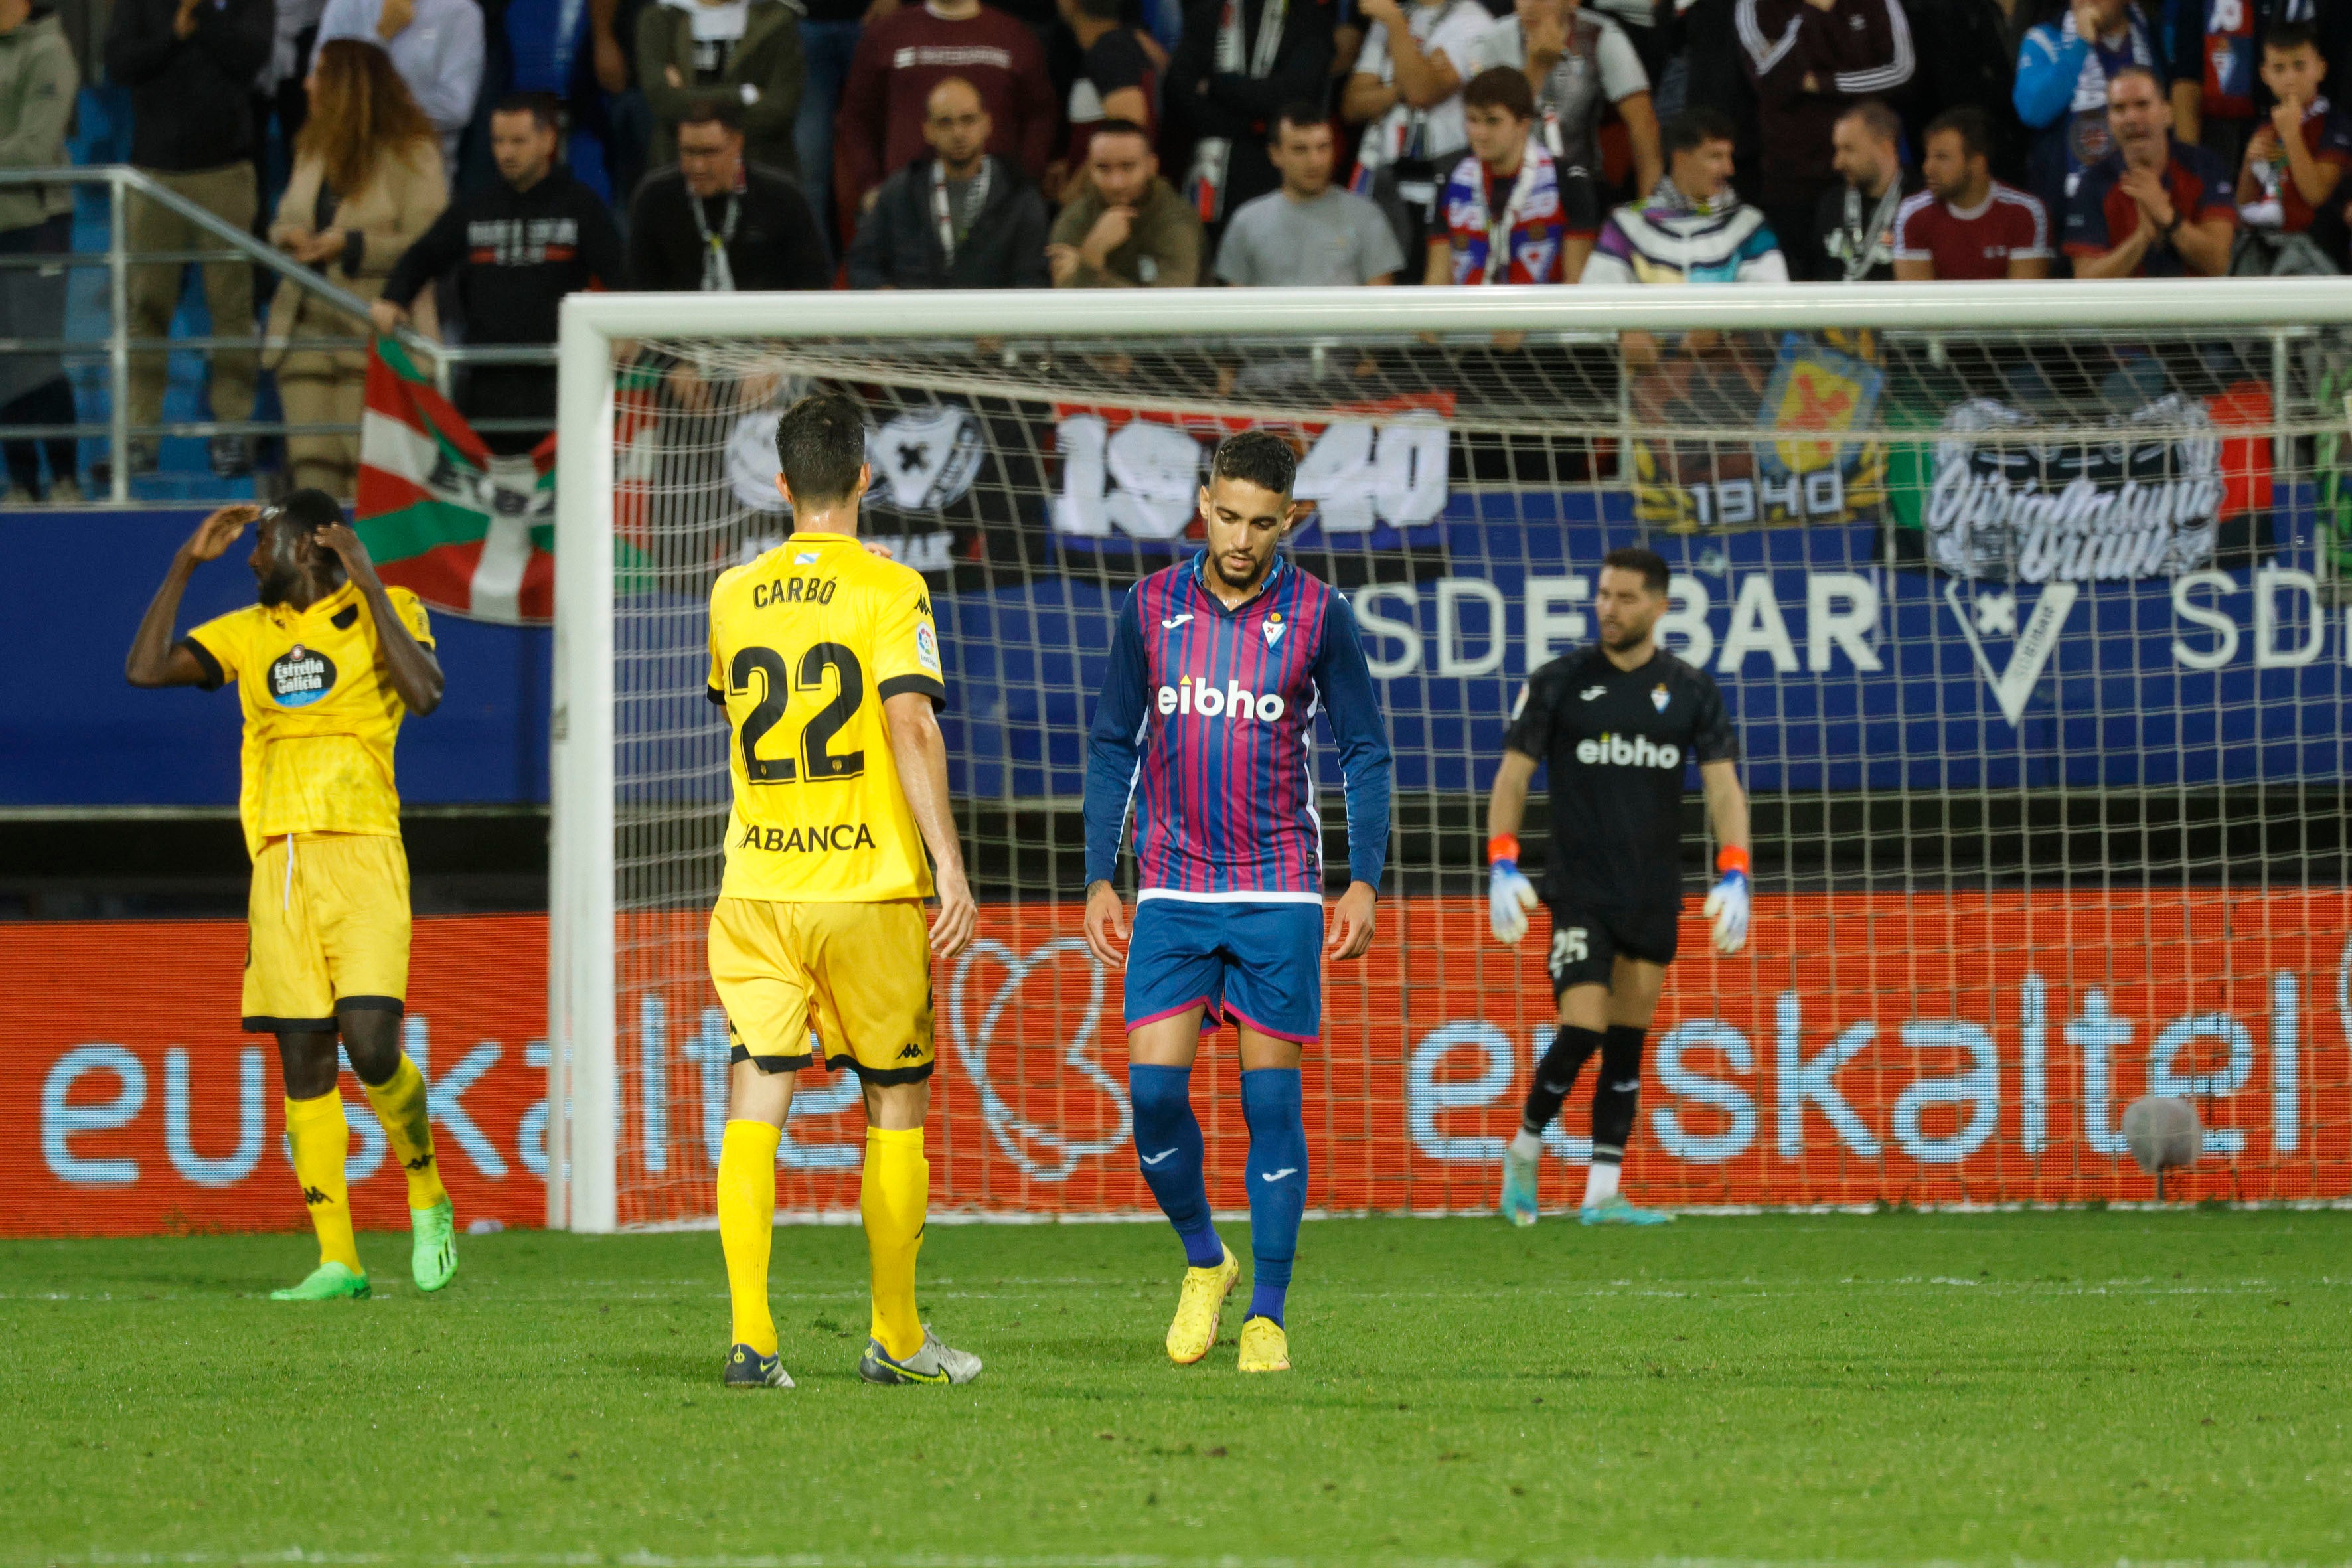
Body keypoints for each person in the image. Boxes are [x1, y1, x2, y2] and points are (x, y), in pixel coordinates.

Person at [1080, 430, 1393, 1375]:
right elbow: (1109, 744)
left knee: (1269, 1102)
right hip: (1172, 884)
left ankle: (1266, 1312)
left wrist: (1364, 876)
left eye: (1262, 522)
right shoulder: (1148, 606)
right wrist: (1101, 870)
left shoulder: (1318, 615)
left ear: (1289, 518)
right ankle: (1203, 1260)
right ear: (1202, 500)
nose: (1241, 537)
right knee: (1152, 1093)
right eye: (1226, 514)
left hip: (1278, 889)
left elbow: (1365, 750)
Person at [705, 391, 982, 1389]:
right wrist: (946, 859)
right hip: (863, 884)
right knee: (893, 1102)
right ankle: (898, 1341)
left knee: (754, 1097)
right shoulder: (891, 587)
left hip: (756, 887)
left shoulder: (731, 593)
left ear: (781, 486)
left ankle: (750, 1339)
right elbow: (910, 724)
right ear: (866, 476)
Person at [123, 493, 457, 1301]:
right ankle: (338, 1259)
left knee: (372, 1048)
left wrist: (369, 580)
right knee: (304, 1062)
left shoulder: (389, 607)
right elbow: (143, 668)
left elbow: (426, 694)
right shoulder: (249, 630)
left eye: (260, 543)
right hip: (277, 864)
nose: (249, 557)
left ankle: (427, 1192)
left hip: (364, 852)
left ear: (309, 544)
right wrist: (182, 564)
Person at [1489, 545, 1749, 1228]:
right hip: (1579, 889)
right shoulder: (1560, 681)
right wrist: (1502, 861)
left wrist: (1736, 870)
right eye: (1603, 594)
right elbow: (1513, 775)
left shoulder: (1691, 690)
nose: (1610, 608)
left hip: (1653, 890)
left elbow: (1724, 787)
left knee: (1629, 1043)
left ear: (1660, 606)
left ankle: (1603, 1190)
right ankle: (1523, 1149)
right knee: (1582, 1027)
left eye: (1626, 597)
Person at [372, 94, 627, 455]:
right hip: (486, 385)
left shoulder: (580, 206)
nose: (506, 153)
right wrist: (394, 297)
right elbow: (425, 254)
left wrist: (626, 331)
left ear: (548, 141)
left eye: (518, 141)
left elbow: (622, 274)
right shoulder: (476, 207)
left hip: (558, 382)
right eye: (498, 142)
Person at [265, 39, 448, 499]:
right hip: (304, 329)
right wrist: (288, 235)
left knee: (363, 478)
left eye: (318, 75)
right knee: (312, 480)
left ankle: (365, 572)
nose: (306, 85)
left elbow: (431, 242)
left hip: (373, 331)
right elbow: (286, 216)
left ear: (346, 86)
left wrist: (352, 245)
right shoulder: (313, 148)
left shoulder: (413, 151)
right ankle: (320, 571)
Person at [104, 0, 273, 481]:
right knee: (144, 310)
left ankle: (233, 431)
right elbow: (118, 64)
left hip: (225, 172)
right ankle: (140, 438)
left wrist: (206, 18)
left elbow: (251, 56)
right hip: (152, 174)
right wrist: (173, 36)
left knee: (232, 311)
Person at [832, 0, 1056, 234]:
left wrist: (1025, 184)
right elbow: (855, 117)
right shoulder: (886, 34)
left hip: (996, 212)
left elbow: (1041, 115)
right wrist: (871, 185)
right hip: (908, 212)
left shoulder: (1015, 35)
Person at [1735, 0, 1918, 280]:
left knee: (1871, 277)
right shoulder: (1756, 5)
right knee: (1795, 293)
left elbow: (1900, 71)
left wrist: (1821, 83)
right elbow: (1769, 79)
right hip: (1791, 181)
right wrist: (1811, 11)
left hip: (1866, 180)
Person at [846, 74, 1052, 287]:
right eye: (945, 123)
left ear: (987, 124)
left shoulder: (1020, 196)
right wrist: (884, 296)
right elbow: (862, 264)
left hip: (991, 319)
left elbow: (1033, 279)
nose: (958, 133)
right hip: (915, 318)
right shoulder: (900, 192)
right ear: (928, 131)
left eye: (968, 120)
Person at [0, 0, 81, 505]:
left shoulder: (51, 51)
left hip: (37, 223)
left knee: (36, 358)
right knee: (4, 360)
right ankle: (22, 482)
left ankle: (67, 479)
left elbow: (34, 148)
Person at [1342, 0, 1495, 266]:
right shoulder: (1390, 20)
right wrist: (1401, 87)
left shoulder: (1474, 22)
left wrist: (1395, 24)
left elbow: (1422, 92)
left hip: (1443, 178)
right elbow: (1353, 105)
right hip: (1383, 178)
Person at [628, 98, 833, 293]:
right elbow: (637, 291)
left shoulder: (782, 198)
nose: (698, 166)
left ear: (737, 144)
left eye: (709, 153)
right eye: (688, 152)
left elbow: (813, 285)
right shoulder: (655, 200)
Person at [1162, 0, 1334, 229]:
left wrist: (1216, 85)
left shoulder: (1309, 17)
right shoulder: (1208, 11)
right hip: (1213, 171)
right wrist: (1251, 124)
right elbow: (1180, 92)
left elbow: (1293, 96)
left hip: (1278, 170)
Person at [1470, 0, 1660, 206]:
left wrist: (1648, 210)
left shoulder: (1600, 35)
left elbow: (1643, 126)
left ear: (1573, 3)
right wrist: (1537, 69)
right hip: (1507, 184)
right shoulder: (1492, 41)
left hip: (1583, 182)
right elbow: (1490, 129)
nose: (1529, 6)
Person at [1579, 105, 1787, 289]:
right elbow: (1595, 303)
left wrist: (1720, 330)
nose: (1729, 169)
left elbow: (1772, 308)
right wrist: (1626, 330)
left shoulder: (1749, 226)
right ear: (1681, 159)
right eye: (1715, 157)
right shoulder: (1627, 225)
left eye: (1729, 156)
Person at [2065, 64, 2235, 277]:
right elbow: (2086, 283)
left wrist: (2167, 217)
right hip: (2127, 310)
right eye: (2119, 108)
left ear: (2167, 113)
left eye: (2142, 105)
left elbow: (2221, 265)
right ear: (2109, 121)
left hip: (2194, 308)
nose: (2131, 118)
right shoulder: (2093, 183)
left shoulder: (2204, 166)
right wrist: (2142, 237)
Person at [1214, 100, 1406, 285]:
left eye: (1323, 148)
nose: (1315, 161)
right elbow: (1235, 307)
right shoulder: (1247, 222)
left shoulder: (1367, 217)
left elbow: (1381, 308)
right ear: (1275, 154)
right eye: (1300, 150)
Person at [2013, 0, 2161, 218]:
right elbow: (2033, 111)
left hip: (2147, 196)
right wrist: (2079, 47)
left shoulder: (2149, 35)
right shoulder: (2044, 38)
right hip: (2073, 205)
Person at [1427, 65, 1572, 282]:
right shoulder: (1449, 181)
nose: (1480, 134)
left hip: (1542, 315)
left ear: (1523, 124)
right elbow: (1437, 283)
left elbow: (1578, 286)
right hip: (1470, 315)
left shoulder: (1564, 180)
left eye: (1492, 121)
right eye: (1473, 120)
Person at [637, 0, 806, 177]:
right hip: (678, 168)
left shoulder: (777, 18)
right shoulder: (660, 18)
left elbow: (780, 109)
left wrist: (688, 99)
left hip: (760, 167)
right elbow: (664, 102)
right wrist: (743, 95)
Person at [315, 0, 487, 175]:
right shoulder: (346, 5)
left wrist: (368, 108)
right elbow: (321, 91)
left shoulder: (460, 12)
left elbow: (455, 109)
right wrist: (380, 37)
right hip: (343, 163)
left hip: (419, 170)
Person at [2233, 21, 2349, 271]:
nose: (2290, 78)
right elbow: (2244, 208)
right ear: (2265, 75)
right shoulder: (2265, 127)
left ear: (2320, 69)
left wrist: (2291, 134)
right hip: (2265, 246)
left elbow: (2316, 194)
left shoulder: (2335, 125)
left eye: (2299, 66)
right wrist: (2248, 163)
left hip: (2318, 250)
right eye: (2279, 68)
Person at [1893, 104, 2051, 277]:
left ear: (1977, 164)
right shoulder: (1913, 214)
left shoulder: (2025, 213)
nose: (1928, 168)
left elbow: (2023, 300)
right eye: (1928, 157)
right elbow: (1919, 302)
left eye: (1942, 157)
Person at [1047, 118, 1206, 285]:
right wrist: (1095, 247)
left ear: (1151, 167)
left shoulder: (1175, 220)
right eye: (1103, 168)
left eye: (1128, 167)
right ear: (1090, 169)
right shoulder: (1075, 218)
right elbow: (1067, 303)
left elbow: (1168, 305)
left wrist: (1088, 267)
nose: (1117, 183)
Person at [1055, 0, 1154, 199]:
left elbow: (1129, 125)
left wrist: (1076, 190)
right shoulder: (1117, 46)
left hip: (1109, 203)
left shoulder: (1111, 50)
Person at [1815, 98, 1917, 280]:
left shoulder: (1918, 205)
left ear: (1885, 148)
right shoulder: (1832, 203)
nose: (1837, 163)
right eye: (1837, 150)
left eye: (1849, 149)